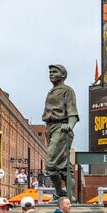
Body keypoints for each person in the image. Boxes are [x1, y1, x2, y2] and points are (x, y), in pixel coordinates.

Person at [42, 64, 79, 199]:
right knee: (63, 166)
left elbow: (72, 112)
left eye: (54, 72)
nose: (51, 74)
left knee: (50, 163)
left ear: (63, 75)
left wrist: (69, 125)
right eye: (50, 72)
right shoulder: (51, 91)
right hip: (50, 128)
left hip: (61, 128)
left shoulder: (67, 90)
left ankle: (59, 192)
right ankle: (66, 196)